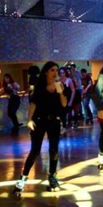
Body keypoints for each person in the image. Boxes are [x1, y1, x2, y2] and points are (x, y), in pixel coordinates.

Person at [13, 62, 67, 196]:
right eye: (52, 70)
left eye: (57, 70)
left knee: (54, 149)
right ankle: (22, 179)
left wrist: (60, 92)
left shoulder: (59, 86)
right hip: (39, 121)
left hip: (54, 121)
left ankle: (52, 177)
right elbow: (33, 104)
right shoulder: (39, 87)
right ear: (46, 72)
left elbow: (64, 104)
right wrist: (29, 119)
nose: (55, 72)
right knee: (35, 151)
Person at [59, 68, 75, 135]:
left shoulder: (69, 80)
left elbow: (73, 91)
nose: (62, 74)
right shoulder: (58, 81)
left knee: (65, 114)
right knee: (61, 114)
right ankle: (62, 128)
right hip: (60, 100)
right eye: (60, 73)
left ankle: (64, 128)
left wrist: (71, 101)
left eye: (63, 73)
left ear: (65, 73)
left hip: (67, 100)